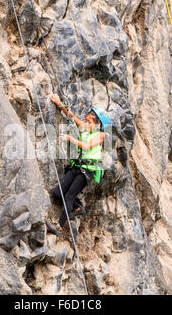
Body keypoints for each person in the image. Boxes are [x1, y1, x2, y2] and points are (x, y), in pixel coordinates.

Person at [46, 94, 110, 237]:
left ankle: (58, 226)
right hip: (77, 166)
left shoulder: (100, 135)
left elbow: (87, 147)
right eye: (86, 121)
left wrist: (71, 139)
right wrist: (59, 103)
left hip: (87, 172)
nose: (87, 124)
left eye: (90, 122)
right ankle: (77, 206)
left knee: (68, 196)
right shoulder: (86, 129)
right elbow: (72, 116)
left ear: (99, 125)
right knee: (57, 193)